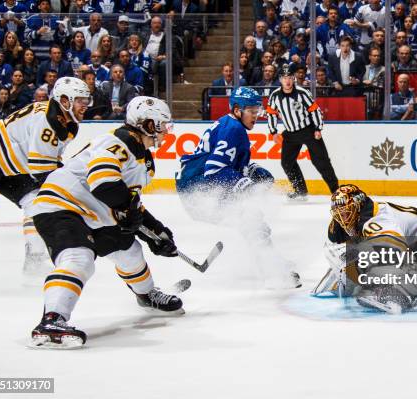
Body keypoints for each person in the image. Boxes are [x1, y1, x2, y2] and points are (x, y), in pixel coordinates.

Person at [28, 96, 181, 349]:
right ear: (148, 124)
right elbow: (104, 183)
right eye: (162, 125)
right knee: (79, 257)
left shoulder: (142, 157)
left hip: (93, 212)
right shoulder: (117, 142)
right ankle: (52, 319)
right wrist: (130, 215)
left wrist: (155, 232)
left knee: (129, 249)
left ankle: (146, 295)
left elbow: (128, 200)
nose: (166, 131)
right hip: (61, 206)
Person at [176, 87, 301, 288]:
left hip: (195, 185)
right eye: (251, 111)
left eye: (257, 110)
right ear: (236, 110)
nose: (256, 116)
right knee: (251, 219)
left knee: (252, 219)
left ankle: (270, 261)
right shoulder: (233, 130)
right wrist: (246, 183)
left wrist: (250, 169)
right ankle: (272, 270)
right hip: (198, 192)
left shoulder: (231, 125)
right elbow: (214, 169)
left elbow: (225, 163)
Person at [0, 77, 91, 274]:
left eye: (86, 101)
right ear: (65, 101)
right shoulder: (48, 122)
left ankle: (34, 258)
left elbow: (48, 163)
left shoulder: (66, 122)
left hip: (11, 165)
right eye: (80, 100)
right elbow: (42, 171)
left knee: (37, 201)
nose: (85, 105)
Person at [312, 184, 417, 313]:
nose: (342, 218)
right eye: (338, 214)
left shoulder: (378, 220)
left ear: (358, 206)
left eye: (345, 212)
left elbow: (395, 252)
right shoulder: (356, 218)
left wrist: (358, 261)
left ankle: (404, 294)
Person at [266, 64, 339, 200]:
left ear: (293, 78)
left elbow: (315, 110)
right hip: (290, 133)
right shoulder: (275, 96)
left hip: (308, 131)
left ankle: (336, 191)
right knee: (287, 163)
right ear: (280, 79)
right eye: (284, 77)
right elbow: (271, 113)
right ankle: (300, 191)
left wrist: (318, 128)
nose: (287, 81)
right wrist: (274, 131)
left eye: (289, 77)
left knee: (321, 161)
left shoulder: (302, 93)